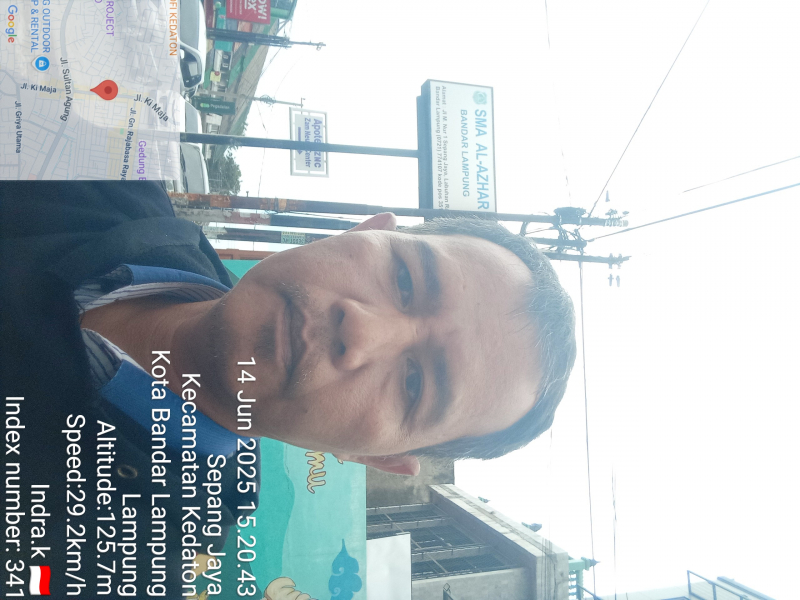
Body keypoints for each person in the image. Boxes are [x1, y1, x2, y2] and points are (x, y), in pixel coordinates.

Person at [0, 181, 576, 598]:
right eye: (404, 277)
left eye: (414, 383)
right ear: (367, 232)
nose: (362, 330)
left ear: (376, 458)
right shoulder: (95, 177)